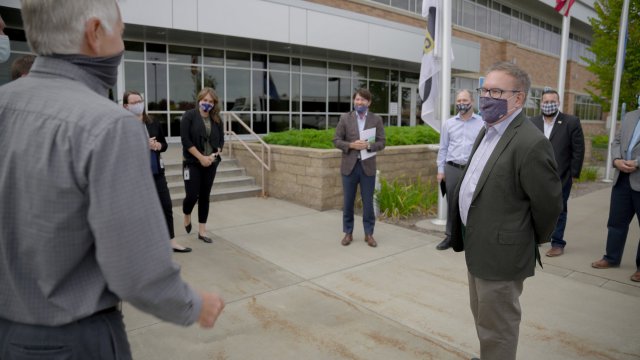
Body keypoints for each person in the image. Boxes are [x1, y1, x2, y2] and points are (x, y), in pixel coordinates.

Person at [0, 1, 223, 358]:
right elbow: (137, 269)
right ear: (94, 33)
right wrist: (193, 305)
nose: (122, 44)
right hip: (73, 342)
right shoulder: (108, 126)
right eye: (120, 32)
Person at [450, 62, 563, 360]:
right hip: (479, 246)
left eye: (496, 91)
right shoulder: (487, 131)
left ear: (518, 98)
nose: (487, 96)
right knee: (483, 316)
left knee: (498, 326)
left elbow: (549, 204)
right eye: (484, 89)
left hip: (502, 254)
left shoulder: (531, 142)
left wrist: (523, 238)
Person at [123, 90, 192, 253]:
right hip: (135, 176)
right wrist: (142, 143)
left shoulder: (152, 122)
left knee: (166, 206)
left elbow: (164, 144)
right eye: (133, 102)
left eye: (140, 101)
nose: (138, 104)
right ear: (126, 106)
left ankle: (171, 241)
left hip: (156, 172)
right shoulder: (122, 125)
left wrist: (157, 146)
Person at [530, 88, 585, 257]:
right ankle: (535, 239)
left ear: (558, 102)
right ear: (541, 103)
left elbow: (578, 149)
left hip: (560, 177)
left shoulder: (571, 121)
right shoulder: (532, 122)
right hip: (535, 176)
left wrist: (573, 174)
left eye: (552, 101)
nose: (549, 104)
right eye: (546, 102)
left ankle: (557, 243)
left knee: (558, 210)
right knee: (534, 208)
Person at [591, 108, 640, 282]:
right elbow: (617, 141)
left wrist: (637, 162)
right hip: (622, 179)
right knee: (616, 222)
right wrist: (616, 160)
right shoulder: (631, 116)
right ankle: (611, 258)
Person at [333, 88, 386, 247]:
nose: (359, 102)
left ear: (368, 102)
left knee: (368, 203)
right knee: (348, 202)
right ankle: (348, 233)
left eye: (363, 100)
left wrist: (368, 145)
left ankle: (368, 234)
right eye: (357, 99)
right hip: (349, 167)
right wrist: (351, 145)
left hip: (367, 167)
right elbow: (336, 140)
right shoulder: (345, 118)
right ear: (354, 101)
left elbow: (382, 142)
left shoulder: (376, 119)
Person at [435, 89, 483, 250]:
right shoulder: (449, 124)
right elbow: (443, 148)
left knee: (472, 203)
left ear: (472, 102)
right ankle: (450, 236)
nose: (461, 103)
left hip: (472, 169)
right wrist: (441, 170)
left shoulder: (482, 123)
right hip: (452, 168)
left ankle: (470, 237)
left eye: (464, 100)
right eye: (459, 101)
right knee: (452, 204)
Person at [181, 87, 224, 244]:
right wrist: (201, 158)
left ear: (214, 104)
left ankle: (202, 231)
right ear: (199, 100)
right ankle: (186, 213)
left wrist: (214, 154)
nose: (207, 103)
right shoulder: (189, 116)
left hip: (211, 163)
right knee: (192, 195)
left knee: (205, 196)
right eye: (205, 100)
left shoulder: (216, 119)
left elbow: (220, 141)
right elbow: (185, 140)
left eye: (210, 101)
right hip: (192, 162)